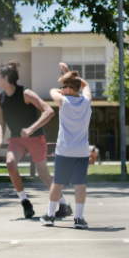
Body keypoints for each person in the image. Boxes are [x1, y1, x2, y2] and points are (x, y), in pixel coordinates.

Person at [0, 61, 72, 219]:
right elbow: (1, 122)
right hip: (17, 138)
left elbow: (48, 111)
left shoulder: (25, 93)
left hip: (35, 137)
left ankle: (64, 204)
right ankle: (25, 202)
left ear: (6, 78)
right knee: (10, 163)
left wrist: (31, 129)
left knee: (42, 173)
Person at [42, 63, 93, 229]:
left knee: (58, 182)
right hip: (81, 151)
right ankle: (78, 218)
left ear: (69, 89)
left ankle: (49, 216)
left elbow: (52, 92)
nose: (61, 89)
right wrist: (70, 75)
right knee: (80, 184)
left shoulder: (63, 101)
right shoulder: (87, 101)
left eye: (63, 86)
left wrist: (65, 79)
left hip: (64, 150)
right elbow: (85, 86)